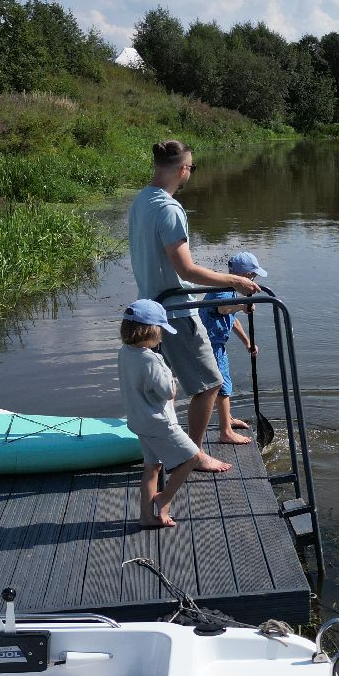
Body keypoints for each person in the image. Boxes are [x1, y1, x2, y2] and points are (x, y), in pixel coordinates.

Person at [128, 140, 259, 473]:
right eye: (192, 167)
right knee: (210, 384)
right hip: (174, 311)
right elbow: (185, 269)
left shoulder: (141, 201)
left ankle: (165, 448)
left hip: (150, 305)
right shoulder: (169, 209)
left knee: (165, 387)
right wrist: (233, 281)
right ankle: (194, 454)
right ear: (183, 169)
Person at [117, 299, 199, 528]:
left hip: (138, 421)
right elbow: (167, 392)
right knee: (192, 457)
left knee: (152, 467)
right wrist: (170, 375)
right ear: (151, 331)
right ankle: (165, 497)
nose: (162, 334)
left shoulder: (124, 353)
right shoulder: (151, 359)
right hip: (159, 423)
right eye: (160, 329)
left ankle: (145, 516)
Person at [201, 252, 267, 445]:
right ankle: (225, 431)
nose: (253, 280)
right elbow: (223, 308)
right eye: (253, 277)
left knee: (222, 381)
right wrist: (242, 306)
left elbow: (231, 319)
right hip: (211, 344)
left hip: (216, 343)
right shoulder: (224, 287)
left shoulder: (229, 289)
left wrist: (247, 342)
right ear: (245, 276)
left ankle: (227, 419)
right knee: (222, 385)